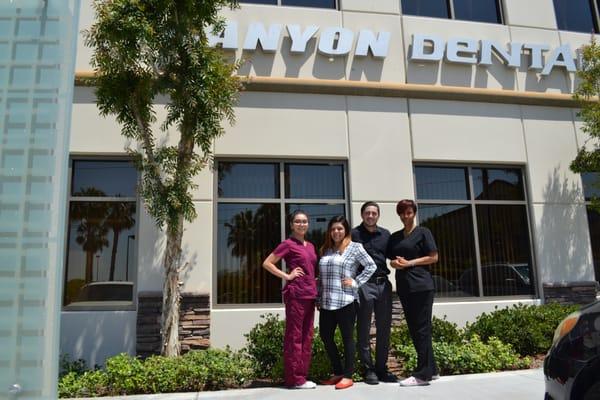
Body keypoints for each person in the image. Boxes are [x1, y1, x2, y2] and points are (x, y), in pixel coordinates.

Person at [318, 215, 377, 390]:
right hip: (327, 302)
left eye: (340, 229)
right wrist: (319, 297)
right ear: (330, 231)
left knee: (347, 339)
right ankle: (338, 372)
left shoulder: (354, 247)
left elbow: (371, 266)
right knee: (326, 336)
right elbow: (321, 277)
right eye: (333, 229)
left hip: (346, 301)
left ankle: (348, 376)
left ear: (346, 231)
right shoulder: (326, 249)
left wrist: (356, 282)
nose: (336, 232)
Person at [262, 210, 318, 389]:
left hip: (310, 294)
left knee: (307, 336)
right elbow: (268, 263)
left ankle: (302, 376)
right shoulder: (288, 244)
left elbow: (310, 268)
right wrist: (287, 275)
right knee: (294, 336)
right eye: (298, 221)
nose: (302, 224)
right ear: (292, 225)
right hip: (296, 295)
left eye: (305, 221)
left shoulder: (310, 246)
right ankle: (294, 379)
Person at [386, 199, 439, 387]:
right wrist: (395, 264)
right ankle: (431, 369)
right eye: (402, 213)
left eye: (408, 213)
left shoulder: (424, 233)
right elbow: (391, 260)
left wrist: (410, 263)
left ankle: (422, 375)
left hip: (422, 287)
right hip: (405, 287)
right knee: (416, 329)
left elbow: (434, 257)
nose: (405, 216)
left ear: (414, 213)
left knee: (422, 329)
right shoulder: (395, 237)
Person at [351, 201, 396, 384]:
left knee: (384, 329)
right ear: (362, 215)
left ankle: (381, 368)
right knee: (363, 327)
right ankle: (368, 369)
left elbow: (393, 256)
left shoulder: (386, 234)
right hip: (364, 284)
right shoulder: (354, 234)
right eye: (367, 213)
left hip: (383, 285)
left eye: (374, 213)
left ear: (378, 215)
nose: (370, 216)